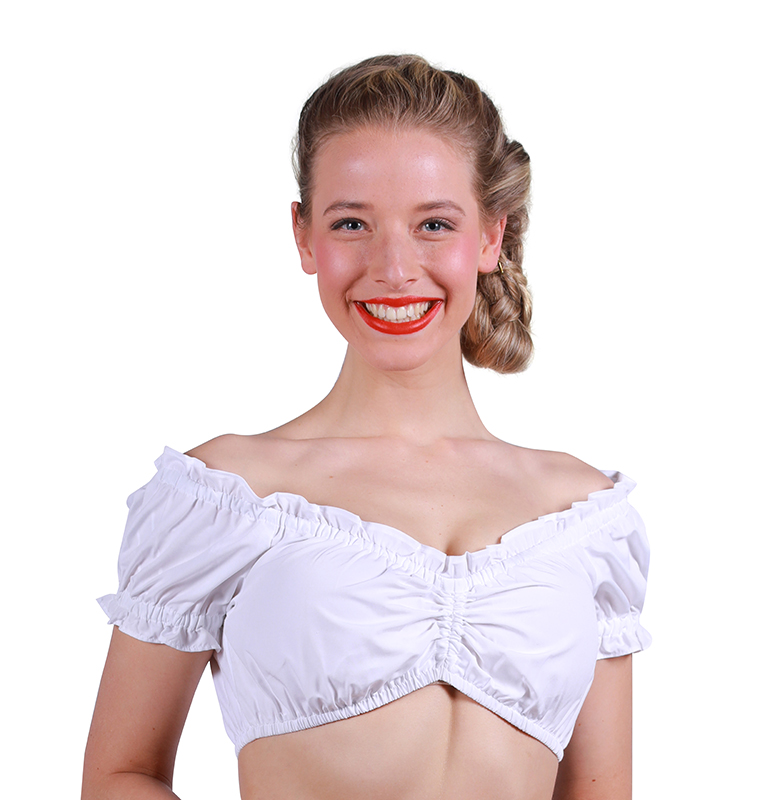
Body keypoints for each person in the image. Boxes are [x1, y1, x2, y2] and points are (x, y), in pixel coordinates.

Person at [82, 54, 650, 800]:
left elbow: (601, 789)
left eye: (434, 224)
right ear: (304, 236)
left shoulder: (583, 515)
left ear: (490, 236)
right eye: (352, 223)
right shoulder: (226, 495)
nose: (393, 268)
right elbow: (120, 775)